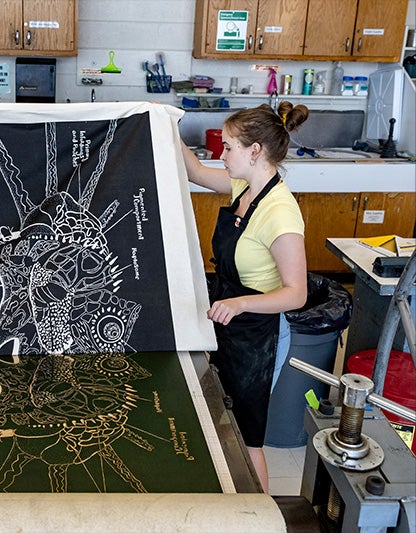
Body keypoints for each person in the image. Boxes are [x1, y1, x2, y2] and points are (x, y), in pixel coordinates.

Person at [180, 102, 309, 493]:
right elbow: (196, 171)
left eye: (230, 146)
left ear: (255, 151)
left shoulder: (280, 212)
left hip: (259, 332)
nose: (222, 154)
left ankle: (258, 515)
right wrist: (166, 120)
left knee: (247, 435)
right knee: (220, 419)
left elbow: (296, 294)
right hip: (229, 321)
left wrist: (240, 303)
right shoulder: (245, 188)